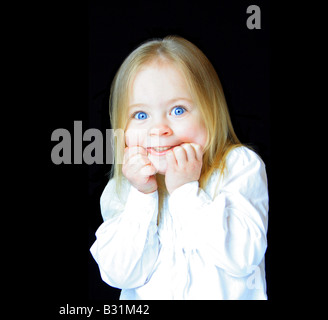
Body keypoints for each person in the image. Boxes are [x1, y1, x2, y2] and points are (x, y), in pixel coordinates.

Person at [90, 36, 269, 299]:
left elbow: (243, 258)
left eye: (178, 110)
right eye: (141, 115)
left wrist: (186, 191)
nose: (159, 129)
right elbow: (119, 274)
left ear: (211, 112)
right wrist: (142, 197)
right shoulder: (125, 188)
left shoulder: (238, 165)